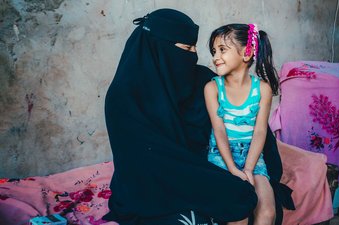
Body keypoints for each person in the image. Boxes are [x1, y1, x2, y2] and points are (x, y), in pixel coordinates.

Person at [102, 9, 259, 225]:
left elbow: (246, 116)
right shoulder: (124, 96)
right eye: (186, 48)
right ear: (160, 48)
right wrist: (215, 181)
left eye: (194, 47)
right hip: (149, 181)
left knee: (243, 194)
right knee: (233, 197)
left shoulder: (202, 80)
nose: (193, 55)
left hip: (197, 167)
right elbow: (146, 162)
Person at [204, 24, 280, 225]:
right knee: (239, 213)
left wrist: (248, 168)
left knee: (267, 212)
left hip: (253, 159)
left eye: (222, 50)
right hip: (221, 157)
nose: (215, 57)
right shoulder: (212, 88)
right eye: (213, 51)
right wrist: (232, 168)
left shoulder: (261, 90)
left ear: (247, 53)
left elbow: (260, 131)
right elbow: (219, 130)